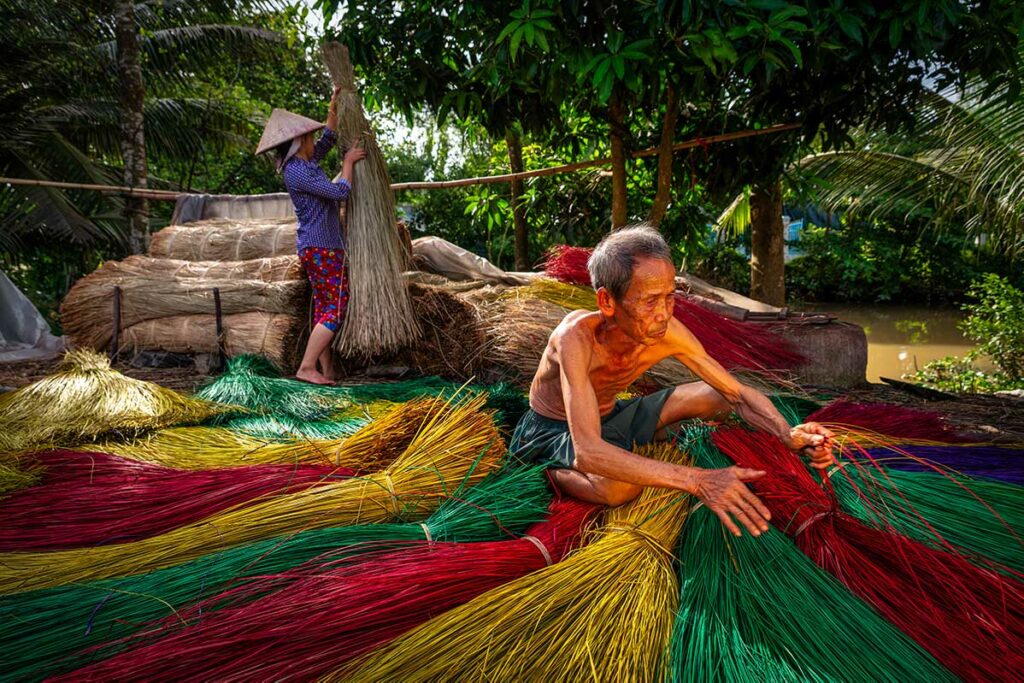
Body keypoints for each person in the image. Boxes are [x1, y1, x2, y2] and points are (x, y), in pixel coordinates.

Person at [510, 224, 836, 537]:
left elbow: (736, 394)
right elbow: (589, 452)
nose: (664, 313)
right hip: (556, 430)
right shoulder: (576, 339)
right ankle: (546, 469)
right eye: (650, 300)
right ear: (607, 302)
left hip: (613, 415)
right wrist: (699, 480)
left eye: (669, 297)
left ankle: (640, 439)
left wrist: (786, 433)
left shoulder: (668, 332)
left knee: (716, 396)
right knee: (619, 487)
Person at [255, 89, 366, 384]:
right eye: (309, 137)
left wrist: (332, 107)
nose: (314, 141)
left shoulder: (303, 164)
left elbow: (327, 138)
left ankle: (326, 369)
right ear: (300, 141)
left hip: (317, 247)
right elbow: (340, 192)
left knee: (324, 306)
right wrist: (349, 163)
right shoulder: (299, 172)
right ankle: (307, 367)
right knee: (336, 308)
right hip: (323, 247)